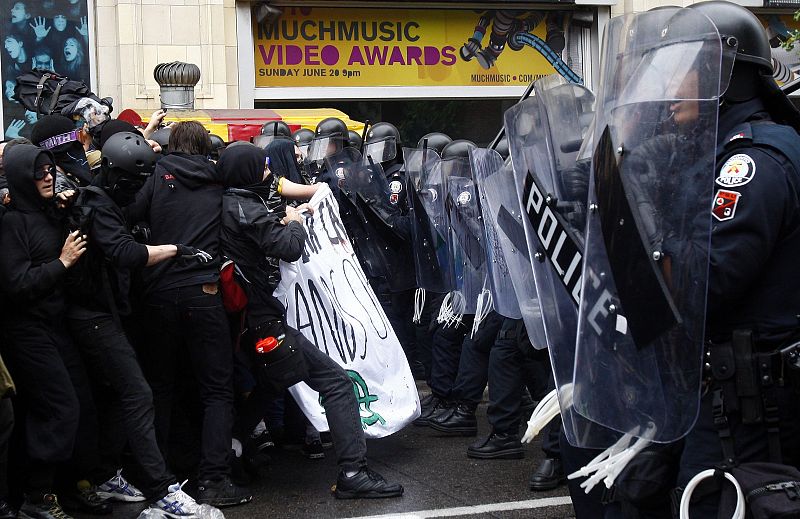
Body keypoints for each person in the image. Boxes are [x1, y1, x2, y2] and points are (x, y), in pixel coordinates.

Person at [216, 143, 405, 499]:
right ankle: (353, 471)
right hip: (262, 321)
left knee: (273, 382)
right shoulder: (245, 207)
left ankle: (231, 449)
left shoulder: (229, 203)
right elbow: (287, 247)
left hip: (247, 320)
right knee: (335, 382)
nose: (269, 173)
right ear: (247, 172)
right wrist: (296, 223)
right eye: (263, 168)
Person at [670, 1, 800, 515]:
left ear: (719, 77)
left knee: (714, 502)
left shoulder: (752, 161)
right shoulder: (717, 153)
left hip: (750, 403)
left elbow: (708, 281)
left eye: (682, 72)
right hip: (725, 389)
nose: (671, 88)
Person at [65, 131, 222, 517]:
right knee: (141, 393)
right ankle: (161, 487)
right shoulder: (97, 202)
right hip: (96, 314)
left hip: (119, 307)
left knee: (129, 394)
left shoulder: (103, 197)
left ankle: (106, 473)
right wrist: (175, 249)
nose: (136, 190)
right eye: (133, 182)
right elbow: (124, 252)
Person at [125, 121, 252, 507]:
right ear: (205, 146)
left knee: (161, 387)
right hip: (204, 291)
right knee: (216, 389)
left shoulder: (156, 175)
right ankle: (213, 479)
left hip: (159, 291)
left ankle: (159, 477)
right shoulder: (217, 178)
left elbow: (129, 215)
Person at [0, 143, 86, 519]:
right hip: (26, 330)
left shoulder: (49, 212)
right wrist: (62, 263)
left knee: (71, 405)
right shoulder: (11, 223)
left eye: (49, 169)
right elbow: (16, 284)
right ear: (21, 177)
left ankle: (56, 488)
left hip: (56, 326)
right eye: (38, 172)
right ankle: (37, 495)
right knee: (59, 407)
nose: (48, 176)